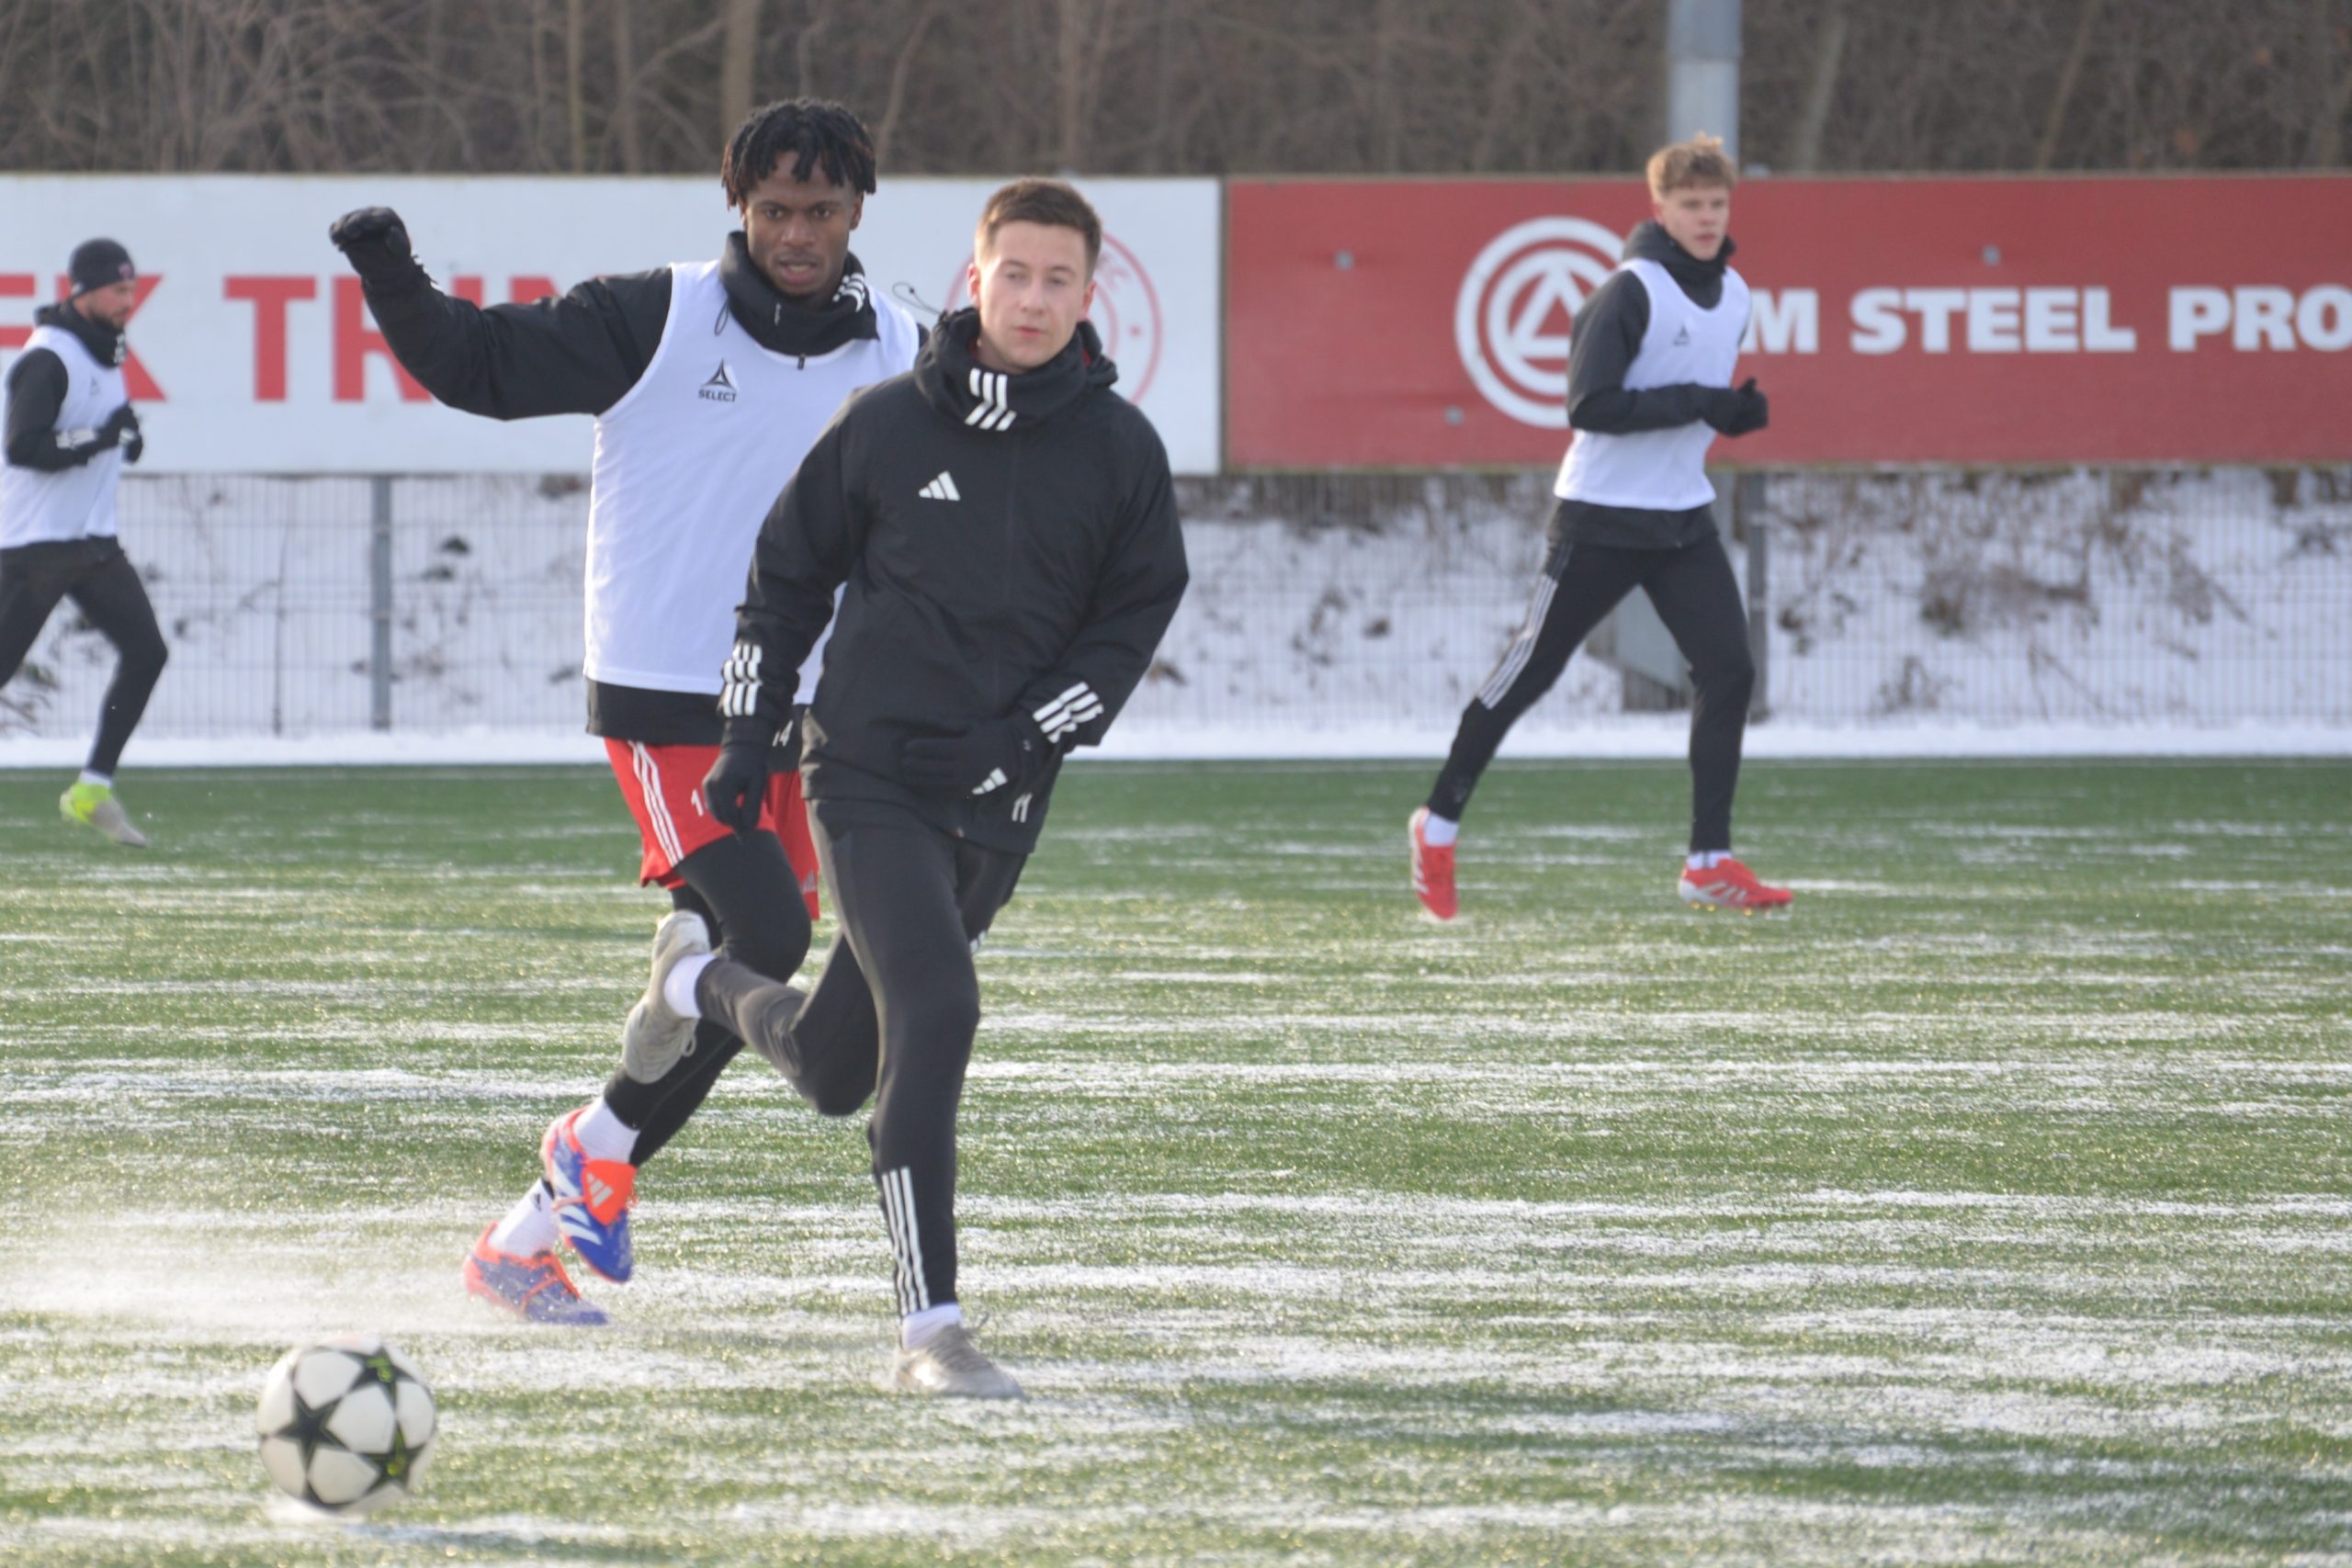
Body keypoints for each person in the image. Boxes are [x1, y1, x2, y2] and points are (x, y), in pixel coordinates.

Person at [328, 99, 923, 1325]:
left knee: (740, 964)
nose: (797, 233)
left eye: (820, 210)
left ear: (857, 210)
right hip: (669, 693)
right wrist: (391, 275)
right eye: (775, 209)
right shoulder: (657, 316)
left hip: (808, 704)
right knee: (765, 934)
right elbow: (481, 366)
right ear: (737, 207)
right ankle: (588, 1145)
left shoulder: (902, 344)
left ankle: (536, 1223)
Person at [624, 178, 1187, 1396]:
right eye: (1014, 272)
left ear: (1090, 294)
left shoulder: (1121, 450)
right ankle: (932, 1331)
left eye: (1059, 279)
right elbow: (782, 583)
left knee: (835, 1068)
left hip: (1001, 796)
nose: (1033, 298)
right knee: (938, 1006)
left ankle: (691, 980)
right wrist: (746, 733)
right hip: (866, 773)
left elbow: (1128, 629)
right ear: (975, 278)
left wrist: (1019, 742)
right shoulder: (884, 423)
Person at [1410, 133, 1791, 919]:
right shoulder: (1628, 290)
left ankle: (1708, 861)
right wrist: (1701, 401)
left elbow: (1687, 398)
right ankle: (1437, 825)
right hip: (1601, 519)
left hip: (1682, 519)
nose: (1706, 217)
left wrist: (1731, 413)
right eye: (1690, 204)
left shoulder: (1737, 294)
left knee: (1730, 671)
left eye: (1717, 204)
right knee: (1529, 672)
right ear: (1660, 209)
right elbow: (1591, 406)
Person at [2, 239, 164, 849]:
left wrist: (124, 439)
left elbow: (98, 428)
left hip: (91, 543)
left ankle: (92, 791)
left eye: (132, 289)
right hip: (34, 547)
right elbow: (23, 446)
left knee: (147, 653)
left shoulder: (107, 349)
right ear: (84, 291)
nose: (129, 300)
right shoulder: (49, 356)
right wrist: (100, 438)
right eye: (118, 290)